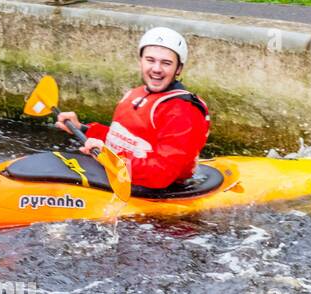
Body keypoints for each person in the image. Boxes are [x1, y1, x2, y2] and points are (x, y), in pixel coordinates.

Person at [54, 27, 210, 191]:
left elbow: (160, 175)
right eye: (150, 60)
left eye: (166, 63)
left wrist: (108, 158)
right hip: (120, 174)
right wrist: (82, 129)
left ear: (178, 69)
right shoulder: (138, 93)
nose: (156, 69)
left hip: (158, 192)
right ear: (140, 61)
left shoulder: (182, 111)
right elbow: (123, 140)